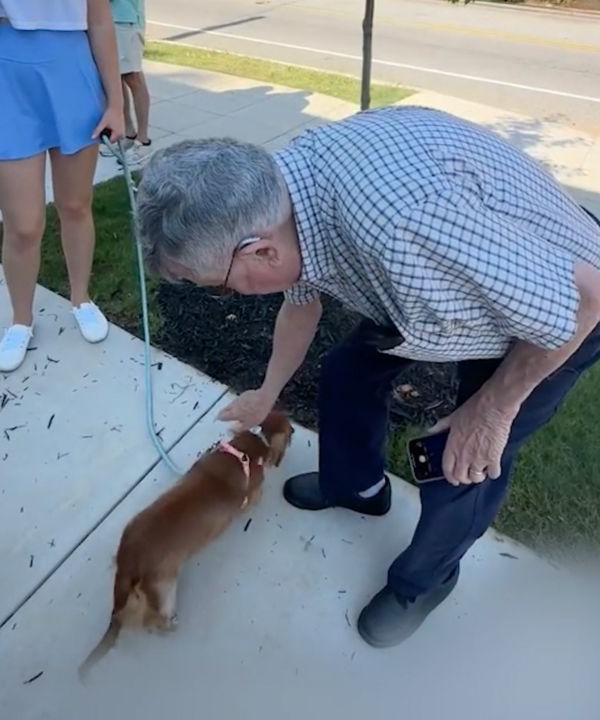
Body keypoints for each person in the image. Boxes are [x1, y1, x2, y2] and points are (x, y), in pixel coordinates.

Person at [134, 105, 600, 649]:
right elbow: (300, 305)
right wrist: (266, 394)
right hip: (447, 279)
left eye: (221, 287)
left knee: (463, 459)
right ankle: (358, 487)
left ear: (261, 249)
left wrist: (492, 410)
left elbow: (586, 299)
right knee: (346, 374)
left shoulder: (409, 225)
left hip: (551, 313)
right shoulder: (282, 194)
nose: (229, 297)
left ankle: (421, 584)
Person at [0, 0, 127, 372]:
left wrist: (116, 102)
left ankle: (81, 299)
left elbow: (99, 17)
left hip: (70, 65)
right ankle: (21, 320)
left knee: (75, 204)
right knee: (24, 225)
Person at [99, 0, 152, 166]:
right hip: (108, 18)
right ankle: (129, 134)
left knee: (133, 77)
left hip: (126, 21)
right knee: (116, 77)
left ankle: (143, 141)